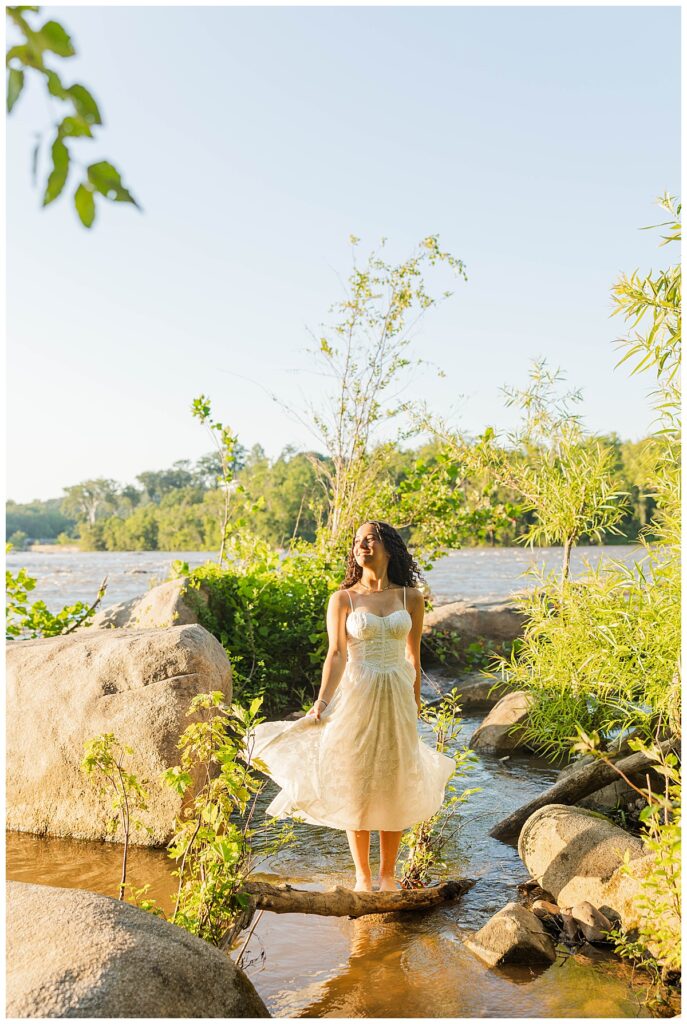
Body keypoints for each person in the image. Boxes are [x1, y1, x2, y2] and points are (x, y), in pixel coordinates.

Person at [248, 520, 455, 892]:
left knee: (394, 777)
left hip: (396, 692)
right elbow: (337, 654)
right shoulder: (343, 599)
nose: (362, 546)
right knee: (357, 777)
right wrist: (322, 701)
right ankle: (362, 877)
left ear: (389, 547)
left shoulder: (411, 597)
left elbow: (413, 655)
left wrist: (416, 701)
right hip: (357, 692)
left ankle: (389, 877)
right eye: (358, 541)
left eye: (370, 539)